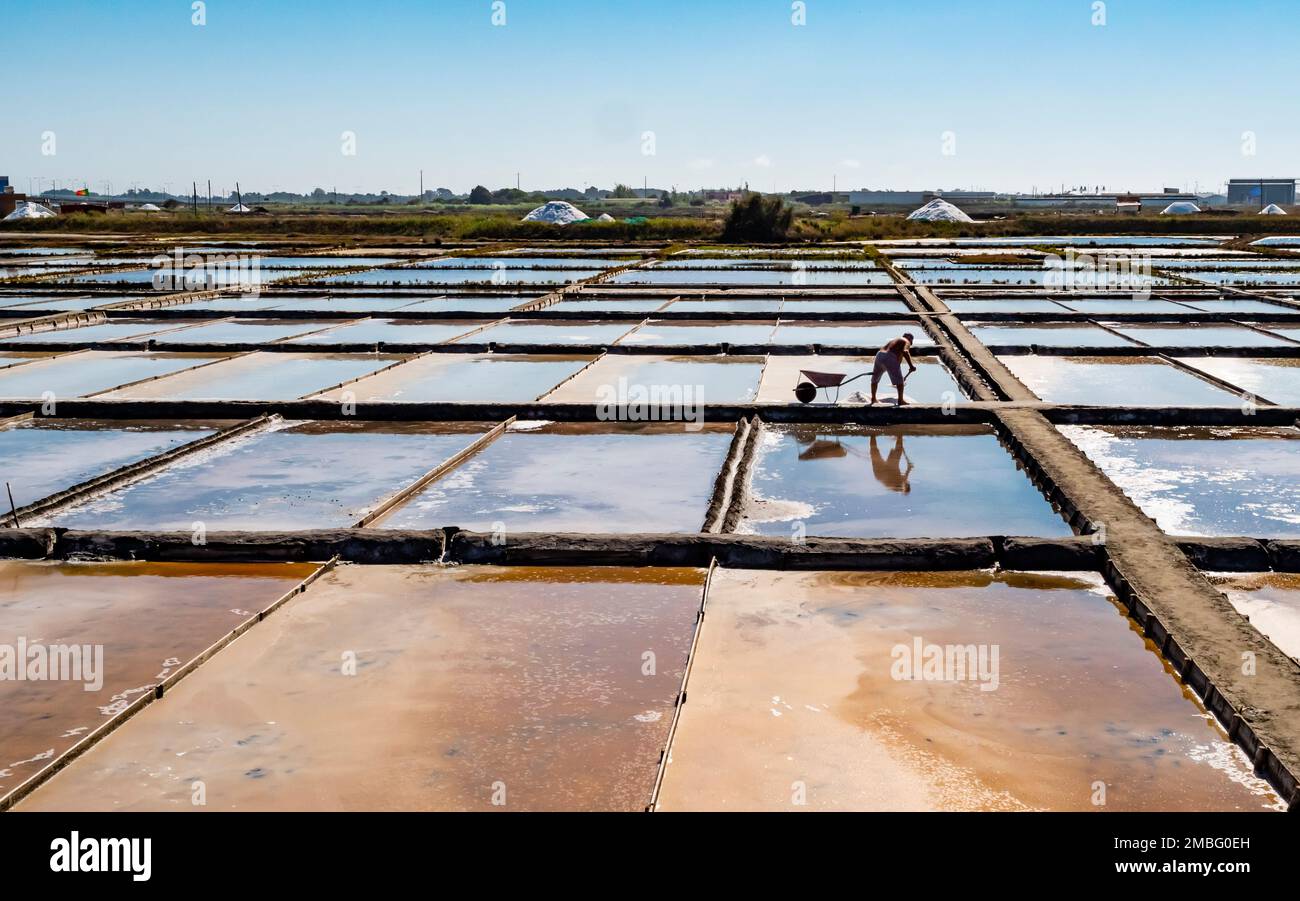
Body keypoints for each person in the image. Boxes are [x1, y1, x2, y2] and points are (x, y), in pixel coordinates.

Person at [870, 333, 917, 405]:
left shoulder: (895, 340)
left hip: (880, 355)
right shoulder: (906, 341)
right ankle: (900, 400)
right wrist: (911, 366)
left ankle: (873, 399)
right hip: (890, 357)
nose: (911, 343)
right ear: (910, 339)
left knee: (875, 379)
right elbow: (905, 352)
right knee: (900, 382)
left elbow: (899, 354)